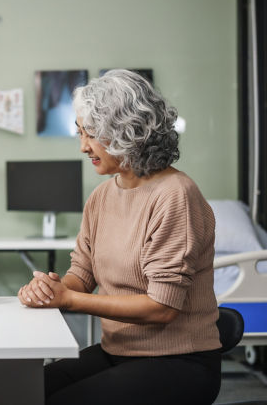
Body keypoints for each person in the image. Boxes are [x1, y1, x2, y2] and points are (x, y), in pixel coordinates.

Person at [19, 69, 220, 404]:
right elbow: (82, 275)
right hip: (119, 351)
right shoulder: (101, 196)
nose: (83, 147)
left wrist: (67, 300)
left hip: (179, 361)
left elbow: (161, 307)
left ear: (127, 132)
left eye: (92, 135)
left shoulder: (175, 195)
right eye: (80, 133)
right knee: (23, 391)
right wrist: (49, 290)